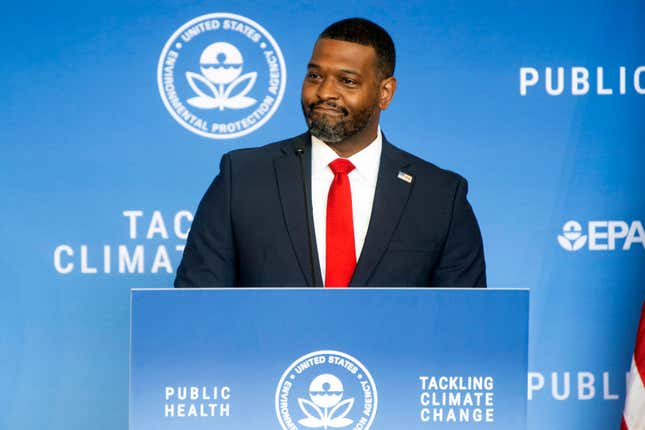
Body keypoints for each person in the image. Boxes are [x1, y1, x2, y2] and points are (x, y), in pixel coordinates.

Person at [174, 17, 486, 288]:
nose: (324, 92)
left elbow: (464, 328)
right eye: (315, 76)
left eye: (347, 81)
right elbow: (196, 309)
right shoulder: (241, 178)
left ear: (385, 92)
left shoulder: (440, 197)